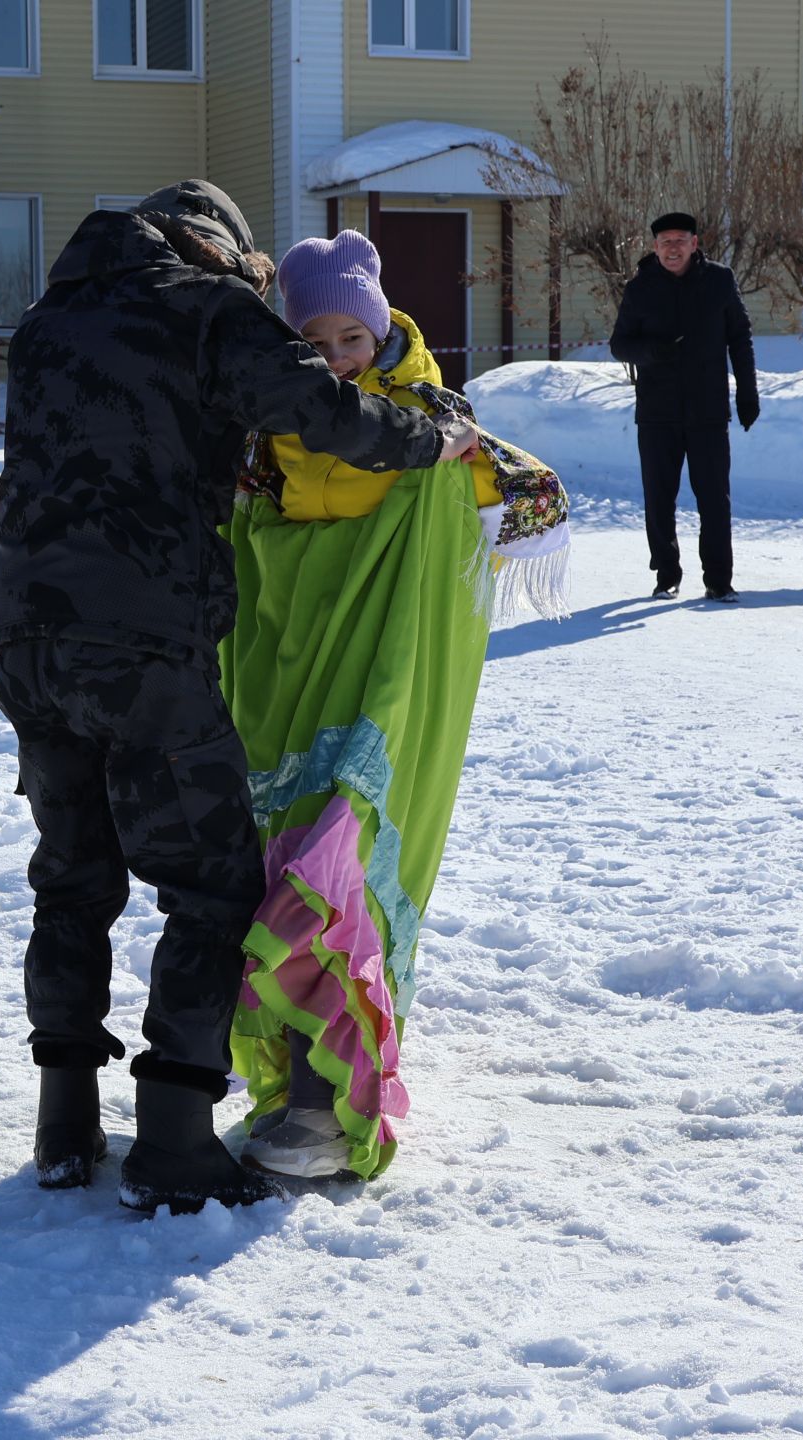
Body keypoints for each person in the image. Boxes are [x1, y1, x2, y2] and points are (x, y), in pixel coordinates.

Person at [0, 182, 477, 1216]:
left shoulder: (47, 320)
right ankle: (172, 1136)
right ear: (221, 254)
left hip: (27, 635)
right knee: (211, 884)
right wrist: (428, 440)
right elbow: (320, 410)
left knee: (72, 874)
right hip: (148, 639)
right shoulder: (198, 308)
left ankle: (63, 1123)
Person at [225, 230, 570, 1181]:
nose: (335, 357)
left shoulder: (427, 411)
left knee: (339, 855)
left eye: (350, 337)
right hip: (289, 675)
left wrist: (455, 486)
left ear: (379, 328)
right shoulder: (270, 428)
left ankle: (324, 1102)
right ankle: (301, 1084)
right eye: (315, 341)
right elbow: (235, 528)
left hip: (380, 682)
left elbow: (540, 501)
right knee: (279, 856)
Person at [608, 211, 758, 603]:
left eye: (680, 240)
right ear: (655, 248)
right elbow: (619, 344)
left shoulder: (719, 281)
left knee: (714, 497)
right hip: (657, 412)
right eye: (665, 242)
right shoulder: (640, 288)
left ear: (695, 243)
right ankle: (667, 575)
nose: (672, 248)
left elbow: (740, 337)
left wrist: (747, 391)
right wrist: (650, 353)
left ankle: (719, 580)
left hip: (708, 410)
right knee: (659, 497)